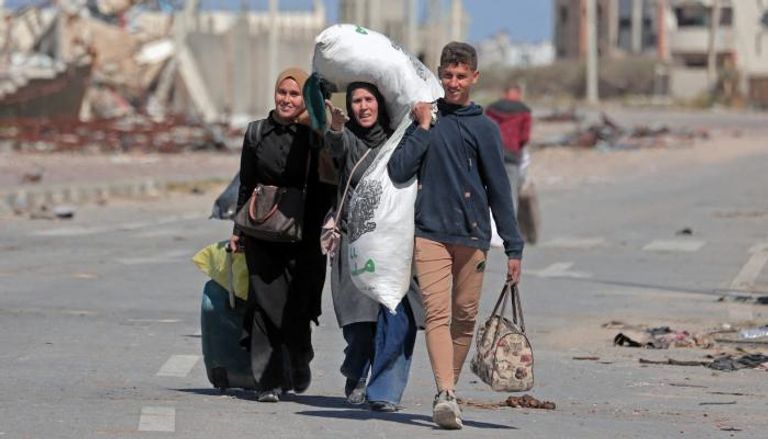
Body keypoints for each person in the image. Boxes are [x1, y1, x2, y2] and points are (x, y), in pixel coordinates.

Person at [387, 42, 524, 430]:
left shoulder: (484, 128)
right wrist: (424, 128)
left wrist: (513, 247)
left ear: (474, 78)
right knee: (437, 315)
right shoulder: (424, 119)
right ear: (439, 74)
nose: (453, 83)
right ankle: (445, 393)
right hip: (430, 233)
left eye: (461, 76)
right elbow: (399, 171)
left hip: (473, 236)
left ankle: (449, 389)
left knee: (464, 318)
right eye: (447, 75)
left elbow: (499, 190)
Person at [229, 67, 334, 403]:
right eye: (282, 93)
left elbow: (328, 178)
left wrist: (319, 120)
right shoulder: (256, 133)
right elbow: (246, 182)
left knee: (299, 305)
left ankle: (299, 359)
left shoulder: (314, 135)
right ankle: (268, 380)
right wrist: (237, 230)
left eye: (294, 94)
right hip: (263, 229)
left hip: (305, 233)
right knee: (263, 305)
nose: (286, 100)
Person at [324, 82, 425, 412]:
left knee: (393, 318)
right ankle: (355, 374)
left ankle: (381, 388)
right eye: (356, 101)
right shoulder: (349, 137)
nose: (362, 107)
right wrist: (337, 129)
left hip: (391, 244)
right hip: (353, 242)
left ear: (380, 104)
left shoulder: (397, 140)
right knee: (359, 324)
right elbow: (337, 150)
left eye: (368, 100)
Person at [485, 81, 532, 212]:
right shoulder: (524, 112)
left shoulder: (491, 109)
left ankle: (491, 224)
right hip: (512, 155)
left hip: (492, 155)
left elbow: (484, 131)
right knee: (511, 192)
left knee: (491, 191)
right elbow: (525, 137)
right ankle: (509, 226)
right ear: (518, 93)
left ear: (505, 93)